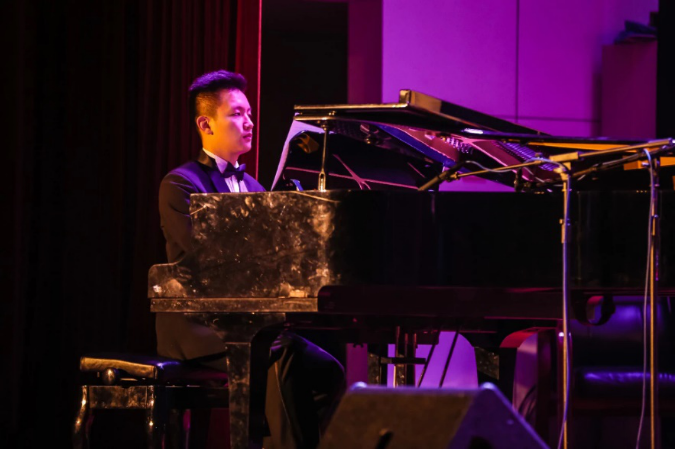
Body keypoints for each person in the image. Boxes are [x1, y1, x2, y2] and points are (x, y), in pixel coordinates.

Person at [156, 70, 345, 448]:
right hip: (199, 327)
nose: (249, 122)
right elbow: (204, 257)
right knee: (282, 356)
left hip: (251, 323)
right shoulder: (181, 184)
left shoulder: (256, 188)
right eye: (236, 113)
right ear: (206, 124)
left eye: (250, 113)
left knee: (328, 371)